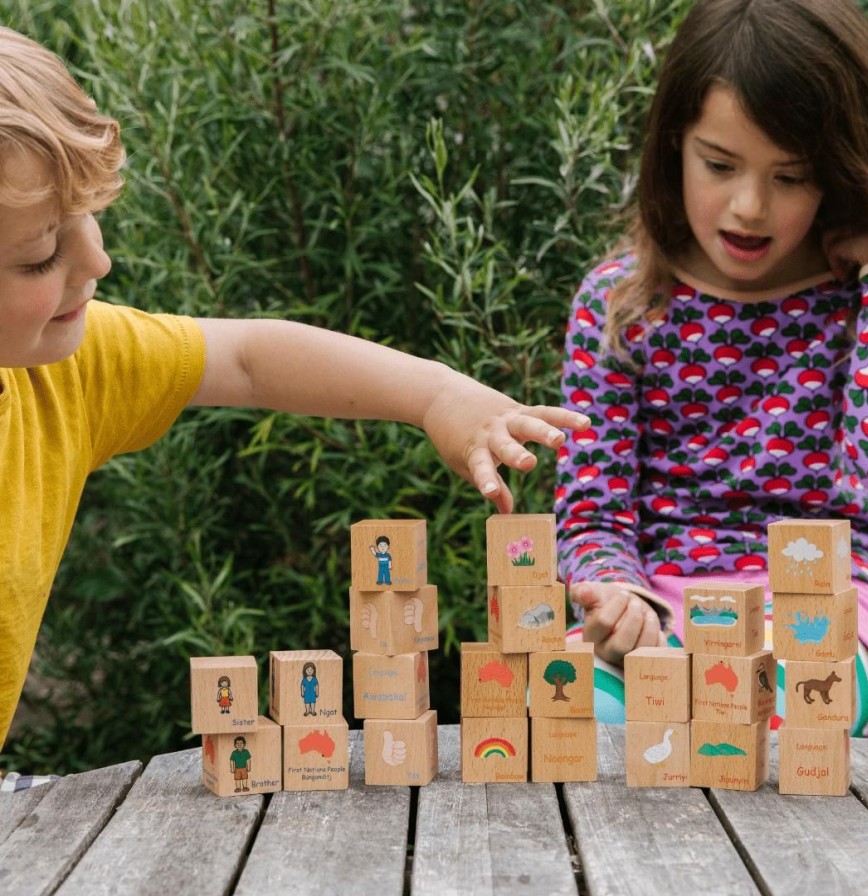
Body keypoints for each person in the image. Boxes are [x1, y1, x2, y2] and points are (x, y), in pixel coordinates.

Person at [0, 25, 591, 759]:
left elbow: (249, 357)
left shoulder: (69, 367)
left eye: (88, 218)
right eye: (42, 255)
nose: (99, 258)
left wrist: (439, 396)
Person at [554, 0, 868, 735]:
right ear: (673, 144)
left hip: (821, 609)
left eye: (792, 176)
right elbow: (592, 507)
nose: (749, 207)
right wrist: (617, 595)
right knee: (561, 708)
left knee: (786, 706)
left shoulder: (859, 299)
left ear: (836, 170)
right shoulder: (619, 306)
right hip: (661, 608)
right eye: (719, 164)